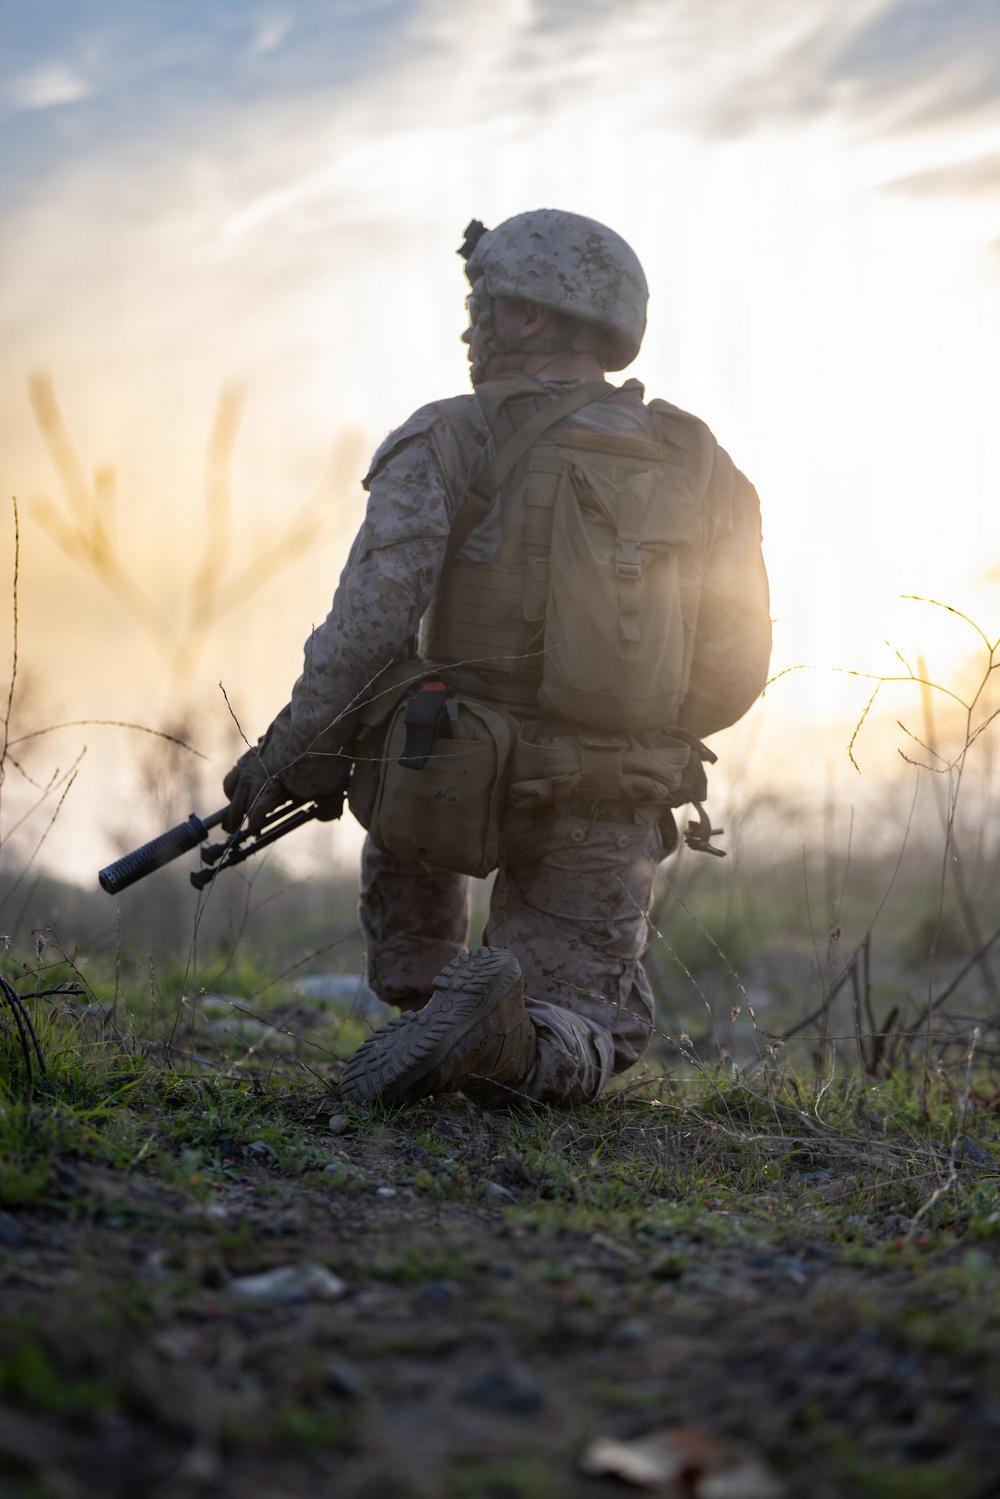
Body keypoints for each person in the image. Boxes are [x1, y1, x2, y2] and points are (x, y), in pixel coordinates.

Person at [222, 209, 771, 1110]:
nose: (469, 324)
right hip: (604, 789)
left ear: (528, 319)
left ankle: (431, 998)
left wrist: (293, 755)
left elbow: (368, 627)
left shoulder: (445, 435)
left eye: (482, 303)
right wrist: (626, 729)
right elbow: (737, 667)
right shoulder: (703, 466)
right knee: (590, 1031)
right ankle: (497, 1037)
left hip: (438, 781)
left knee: (410, 723)